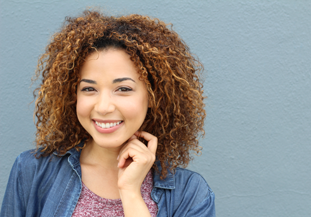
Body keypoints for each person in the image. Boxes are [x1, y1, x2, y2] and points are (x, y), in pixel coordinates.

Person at [0, 10, 215, 217]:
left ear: (152, 96)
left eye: (123, 89)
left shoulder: (192, 195)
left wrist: (130, 193)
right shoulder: (31, 172)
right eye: (89, 89)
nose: (103, 107)